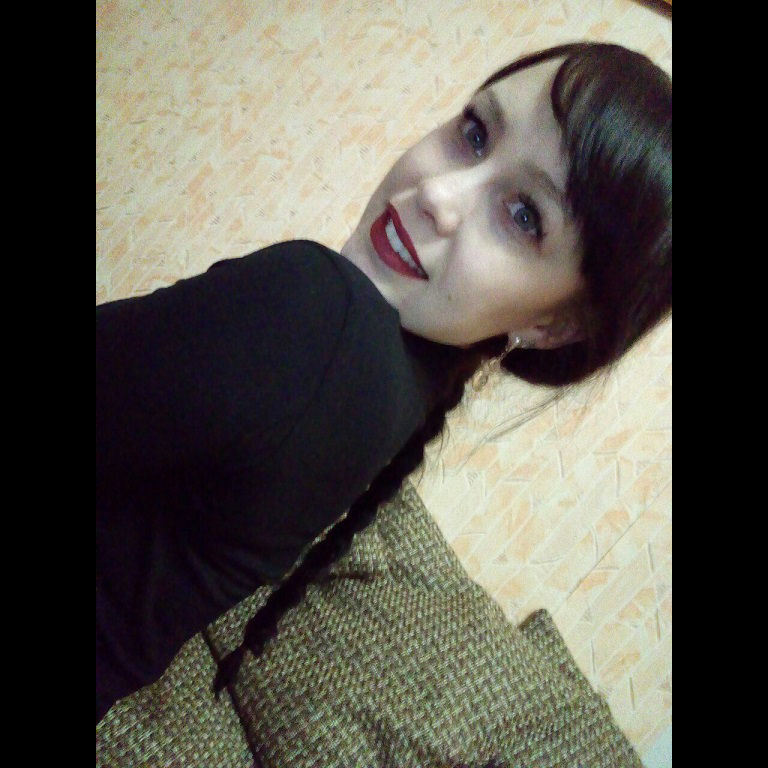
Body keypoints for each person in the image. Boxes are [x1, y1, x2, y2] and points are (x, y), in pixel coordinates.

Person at [96, 41, 671, 722]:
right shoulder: (395, 390)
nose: (437, 194)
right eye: (475, 133)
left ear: (553, 325)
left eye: (523, 216)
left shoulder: (319, 316)